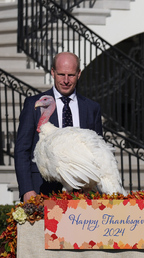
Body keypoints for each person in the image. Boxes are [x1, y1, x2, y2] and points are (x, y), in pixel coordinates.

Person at [14, 52, 103, 202]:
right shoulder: (34, 105)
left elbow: (98, 152)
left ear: (79, 74)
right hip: (41, 190)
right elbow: (22, 150)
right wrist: (27, 189)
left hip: (80, 193)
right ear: (53, 72)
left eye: (71, 75)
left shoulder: (91, 108)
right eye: (61, 74)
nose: (66, 80)